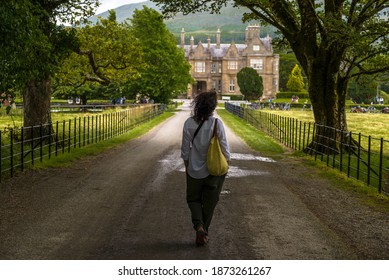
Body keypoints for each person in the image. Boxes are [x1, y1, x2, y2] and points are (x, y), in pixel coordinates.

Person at [181, 91, 231, 246]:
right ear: (212, 107)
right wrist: (226, 163)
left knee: (193, 199)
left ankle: (199, 226)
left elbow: (185, 150)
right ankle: (204, 231)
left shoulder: (189, 123)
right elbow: (225, 148)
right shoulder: (216, 123)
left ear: (197, 105)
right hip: (214, 170)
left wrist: (187, 166)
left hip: (194, 170)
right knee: (210, 201)